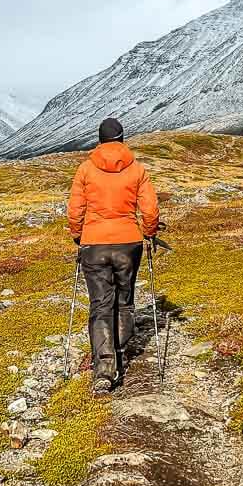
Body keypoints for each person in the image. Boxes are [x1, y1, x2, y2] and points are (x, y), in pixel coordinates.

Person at [67, 117, 160, 395]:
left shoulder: (85, 169)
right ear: (121, 139)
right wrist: (149, 232)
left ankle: (104, 369)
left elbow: (75, 210)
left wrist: (78, 235)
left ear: (100, 139)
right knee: (124, 300)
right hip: (128, 242)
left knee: (100, 305)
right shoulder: (137, 169)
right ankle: (120, 351)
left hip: (94, 243)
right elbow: (151, 210)